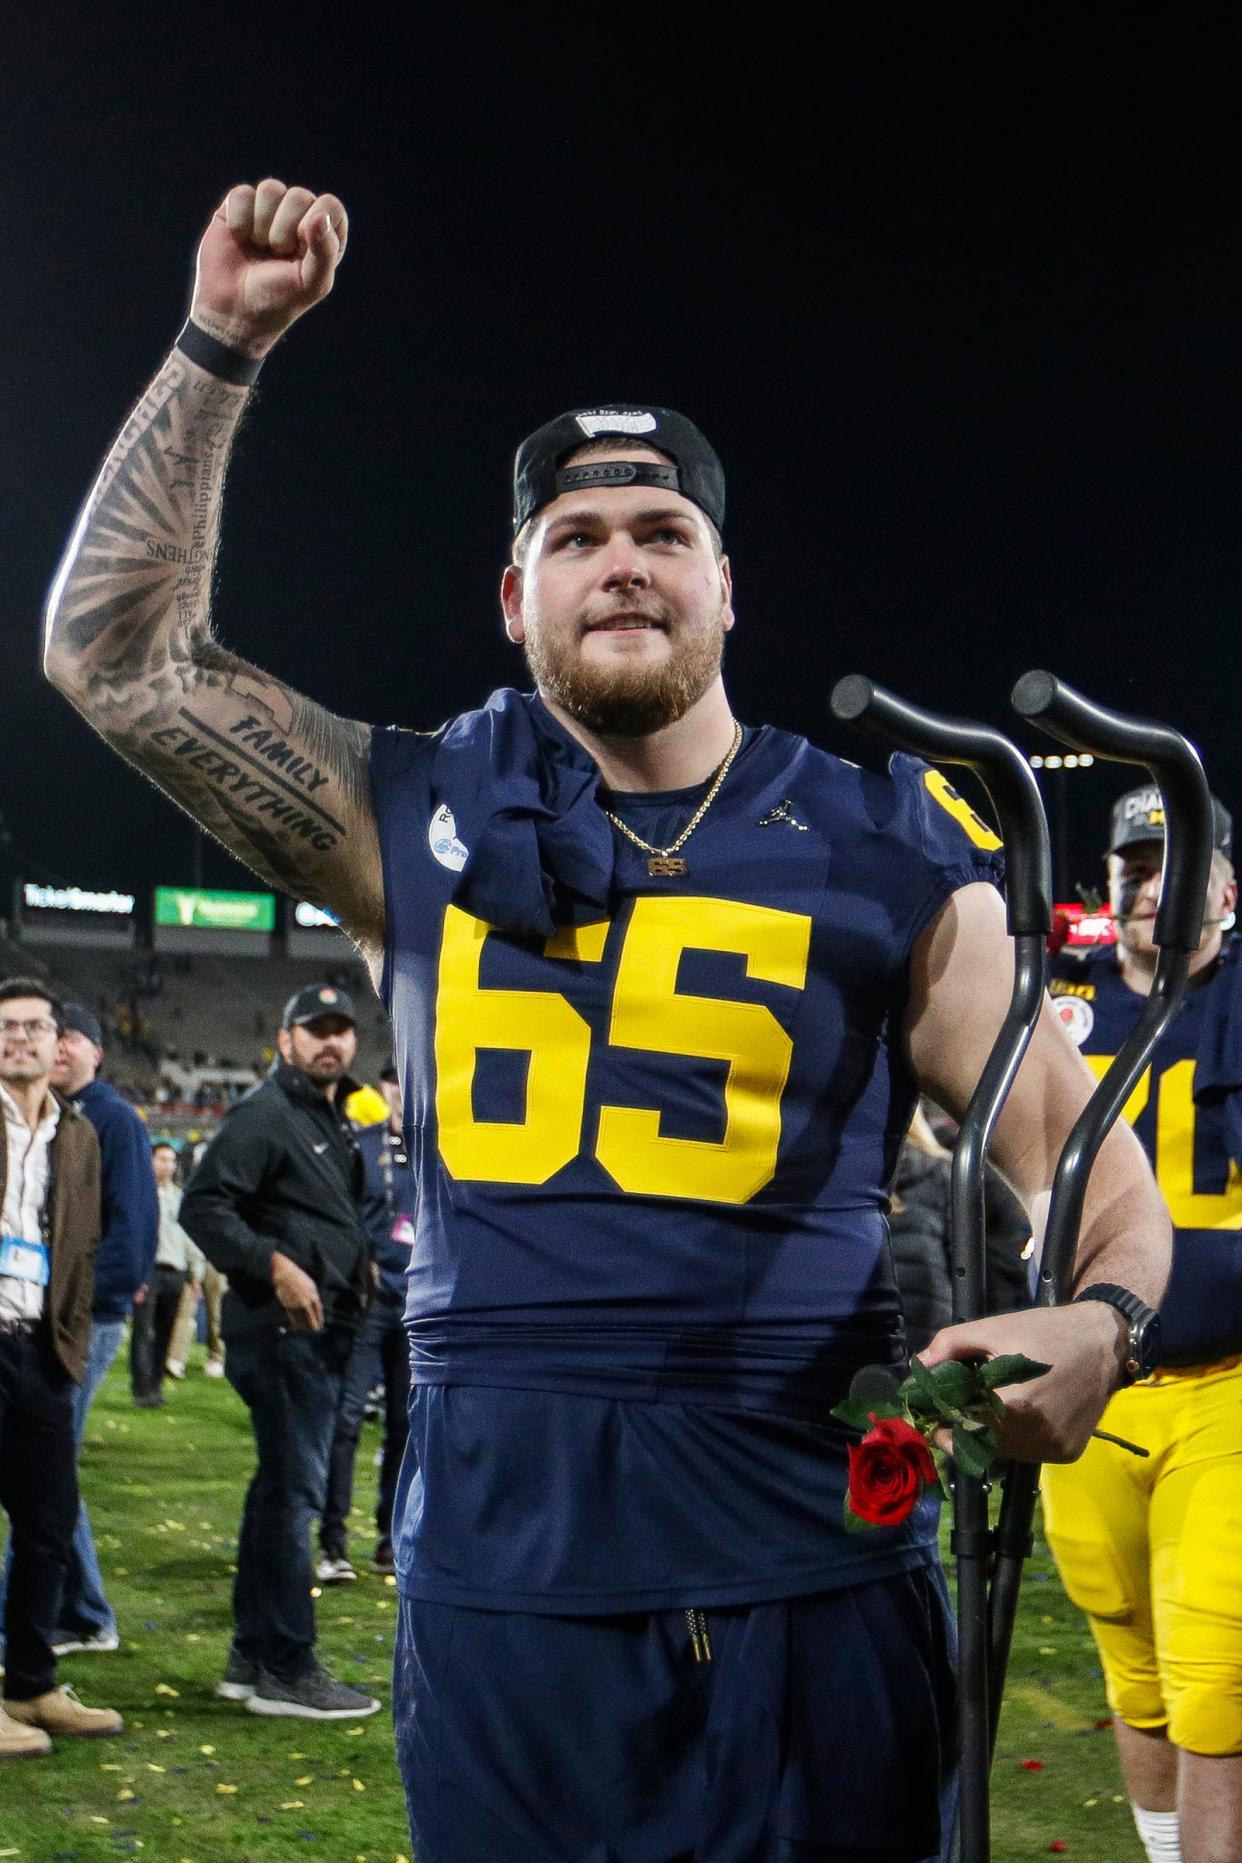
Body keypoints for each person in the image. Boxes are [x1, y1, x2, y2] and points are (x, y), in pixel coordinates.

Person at [44, 180, 1173, 1859]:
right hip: (504, 1584)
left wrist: (1102, 1318)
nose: (621, 561)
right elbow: (115, 660)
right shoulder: (404, 813)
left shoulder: (882, 848)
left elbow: (1086, 1168)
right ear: (516, 601)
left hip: (809, 1565)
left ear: (729, 589)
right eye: (573, 537)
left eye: (661, 532)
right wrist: (225, 342)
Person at [1041, 786, 1242, 1863]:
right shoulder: (1057, 1009)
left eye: (1181, 862)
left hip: (1229, 1381)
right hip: (1100, 1391)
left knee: (1218, 1675)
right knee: (1137, 1666)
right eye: (1135, 865)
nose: (1154, 884)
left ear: (1228, 888)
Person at [178, 985, 379, 1720]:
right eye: (314, 1030)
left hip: (321, 1328)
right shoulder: (265, 1113)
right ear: (285, 1038)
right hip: (284, 1332)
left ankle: (250, 1653)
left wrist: (358, 1265)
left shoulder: (329, 1115)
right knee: (294, 1494)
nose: (331, 1042)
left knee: (277, 1491)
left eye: (341, 1030)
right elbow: (202, 1204)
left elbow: (320, 1213)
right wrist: (274, 1264)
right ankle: (288, 1665)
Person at [1, 1003, 157, 1660]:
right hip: (52, 1316)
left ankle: (68, 1612)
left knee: (46, 1469)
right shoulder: (56, 1120)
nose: (55, 1048)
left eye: (67, 1037)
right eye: (47, 1035)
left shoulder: (110, 1118)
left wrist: (73, 1302)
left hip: (82, 1320)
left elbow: (132, 1236)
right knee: (47, 1470)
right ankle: (82, 1608)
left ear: (95, 1051)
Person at [0, 977, 122, 1758]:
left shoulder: (78, 1133)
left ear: (59, 1041)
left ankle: (31, 1684)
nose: (20, 1038)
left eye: (34, 1026)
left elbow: (83, 1242)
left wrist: (68, 1343)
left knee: (46, 1527)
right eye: (6, 1027)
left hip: (41, 1348)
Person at [318, 1061, 414, 1583]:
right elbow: (344, 1217)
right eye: (394, 1082)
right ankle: (332, 1543)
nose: (402, 1091)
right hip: (368, 1300)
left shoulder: (435, 1148)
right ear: (385, 1088)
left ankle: (389, 1539)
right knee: (347, 1419)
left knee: (403, 1426)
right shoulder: (363, 1145)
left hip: (416, 1302)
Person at [130, 1140, 201, 1404]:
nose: (167, 1165)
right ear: (150, 1161)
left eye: (171, 1160)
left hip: (176, 1270)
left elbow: (188, 1237)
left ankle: (156, 1385)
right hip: (148, 1270)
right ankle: (141, 1388)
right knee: (143, 1330)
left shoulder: (178, 1196)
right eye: (162, 1159)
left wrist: (196, 1273)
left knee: (165, 1331)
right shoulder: (139, 1194)